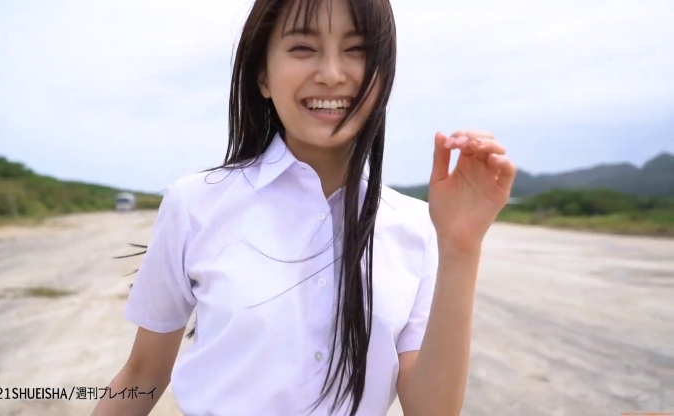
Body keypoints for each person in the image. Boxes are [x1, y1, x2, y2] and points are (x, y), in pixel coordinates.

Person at [91, 0, 516, 414]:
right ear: (262, 75)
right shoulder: (194, 205)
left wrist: (461, 247)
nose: (331, 74)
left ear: (383, 75)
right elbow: (142, 373)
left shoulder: (416, 227)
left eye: (356, 49)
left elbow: (431, 410)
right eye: (302, 47)